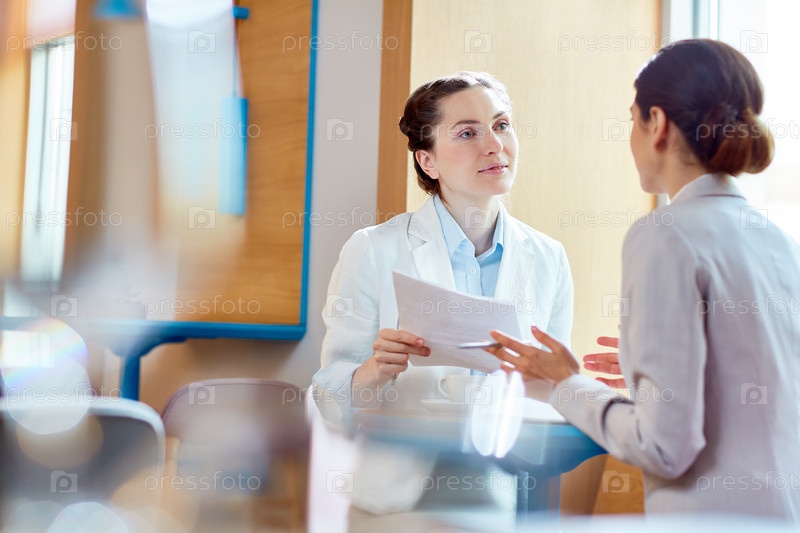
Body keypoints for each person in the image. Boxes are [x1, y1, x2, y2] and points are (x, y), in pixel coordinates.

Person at [487, 39, 800, 521]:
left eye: (632, 119)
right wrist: (650, 374)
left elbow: (663, 446)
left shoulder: (665, 234)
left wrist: (566, 384)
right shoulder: (778, 241)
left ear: (657, 123)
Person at [311, 71, 574, 513]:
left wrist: (559, 382)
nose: (494, 144)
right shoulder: (373, 249)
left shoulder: (549, 258)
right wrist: (376, 370)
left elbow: (553, 400)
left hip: (509, 491)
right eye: (468, 133)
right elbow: (328, 400)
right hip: (397, 498)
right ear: (427, 161)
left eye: (501, 125)